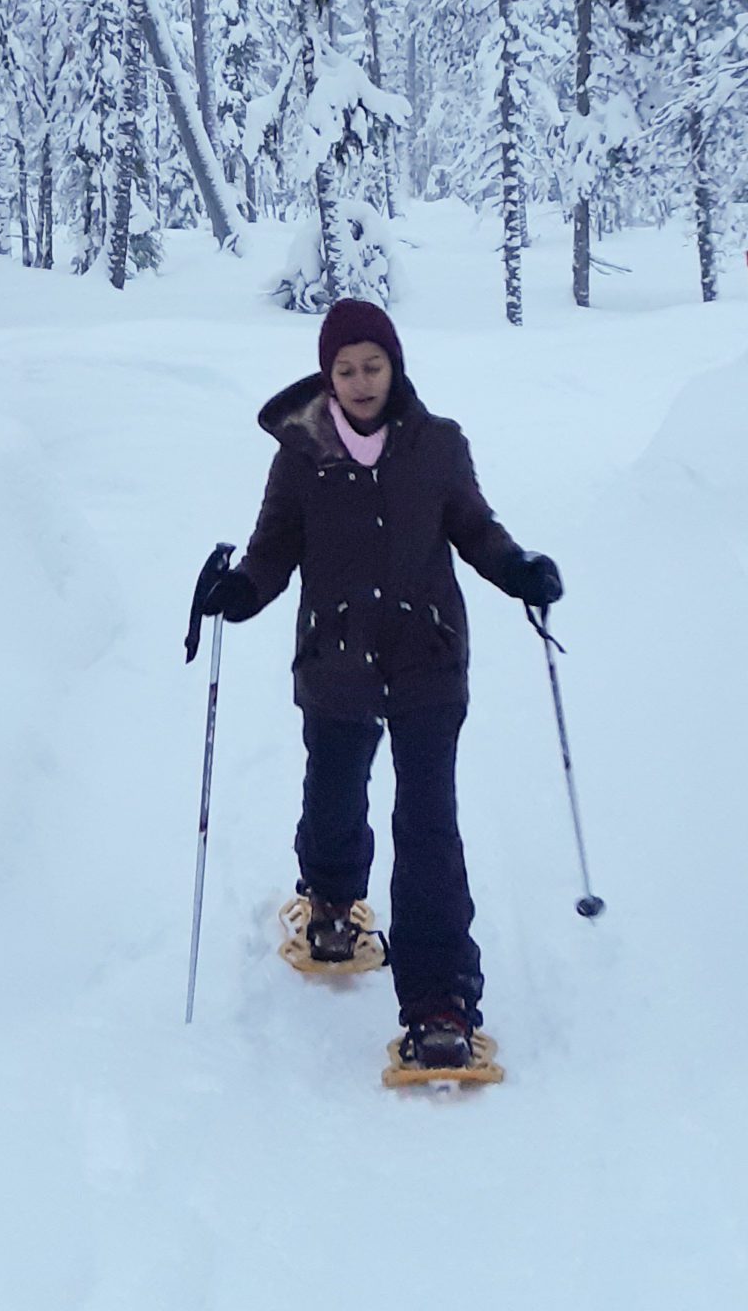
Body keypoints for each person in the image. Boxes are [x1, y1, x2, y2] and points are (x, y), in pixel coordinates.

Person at [186, 297, 561, 1070]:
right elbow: (270, 554)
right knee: (334, 790)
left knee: (427, 829)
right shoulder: (300, 456)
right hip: (336, 661)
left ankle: (439, 1002)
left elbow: (477, 530)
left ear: (395, 366)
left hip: (427, 660)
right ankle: (330, 902)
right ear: (327, 376)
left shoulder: (439, 446)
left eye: (373, 365)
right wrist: (239, 594)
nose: (360, 382)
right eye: (346, 369)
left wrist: (520, 569)